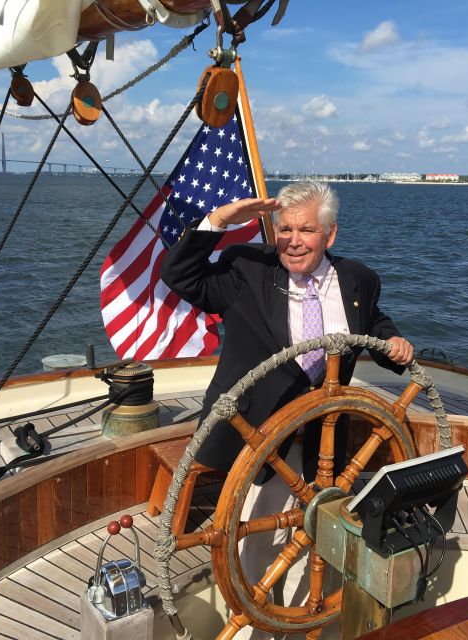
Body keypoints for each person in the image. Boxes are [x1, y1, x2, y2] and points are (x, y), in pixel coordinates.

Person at [160, 181, 413, 638]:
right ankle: (254, 620)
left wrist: (392, 340)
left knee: (311, 536)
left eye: (307, 230)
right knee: (253, 543)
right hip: (253, 432)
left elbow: (372, 321)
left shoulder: (359, 279)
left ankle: (299, 622)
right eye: (285, 229)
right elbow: (180, 276)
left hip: (321, 436)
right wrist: (219, 221)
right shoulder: (248, 269)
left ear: (329, 235)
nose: (294, 240)